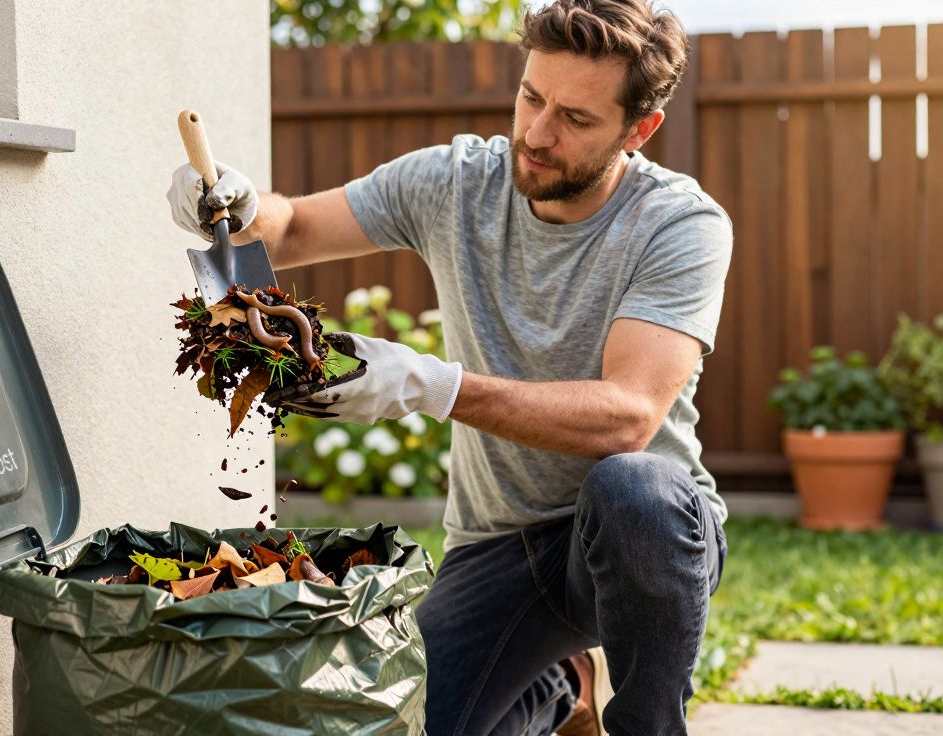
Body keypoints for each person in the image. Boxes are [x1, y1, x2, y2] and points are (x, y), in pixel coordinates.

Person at [168, 1, 730, 733]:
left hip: (637, 543)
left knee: (637, 488)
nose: (536, 132)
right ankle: (562, 682)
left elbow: (628, 417)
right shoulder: (458, 181)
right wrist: (237, 208)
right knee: (408, 725)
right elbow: (296, 227)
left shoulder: (678, 224)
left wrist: (432, 385)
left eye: (576, 120)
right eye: (532, 96)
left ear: (638, 128)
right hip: (497, 544)